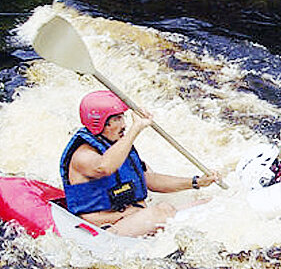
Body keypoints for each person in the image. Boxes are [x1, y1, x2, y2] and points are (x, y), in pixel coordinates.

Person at [60, 90, 219, 237]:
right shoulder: (82, 155)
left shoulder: (118, 145)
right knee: (161, 212)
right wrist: (136, 129)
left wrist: (196, 182)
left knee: (210, 204)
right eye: (116, 119)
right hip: (105, 229)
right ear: (100, 123)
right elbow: (105, 167)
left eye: (122, 117)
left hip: (135, 218)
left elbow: (149, 179)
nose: (123, 124)